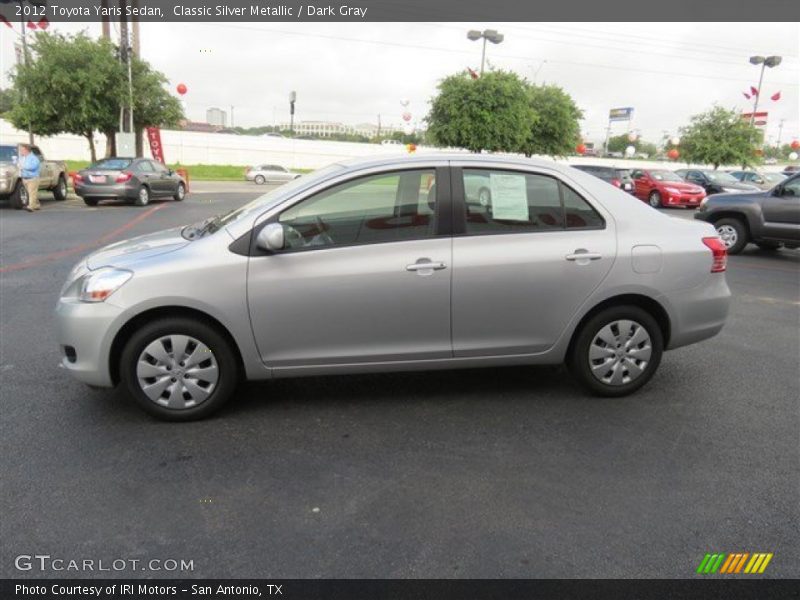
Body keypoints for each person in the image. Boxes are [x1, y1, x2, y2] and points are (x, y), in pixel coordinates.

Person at [18, 144, 41, 212]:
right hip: (25, 178)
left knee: (31, 193)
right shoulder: (22, 158)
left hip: (32, 178)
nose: (20, 151)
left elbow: (33, 167)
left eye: (22, 150)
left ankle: (31, 207)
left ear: (26, 150)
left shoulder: (33, 158)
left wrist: (23, 167)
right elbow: (19, 165)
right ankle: (36, 205)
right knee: (31, 193)